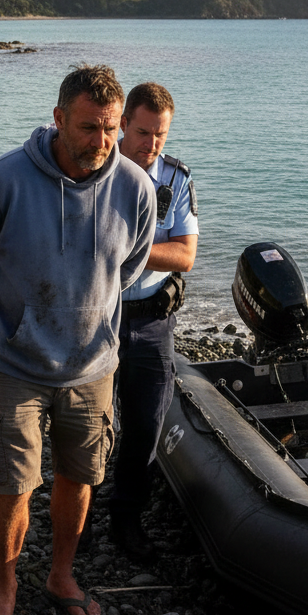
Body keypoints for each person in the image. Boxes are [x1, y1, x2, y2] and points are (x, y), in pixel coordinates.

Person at [0, 64, 156, 615]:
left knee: (79, 477)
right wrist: (6, 311)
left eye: (111, 129)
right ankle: (6, 587)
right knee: (12, 486)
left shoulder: (134, 186)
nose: (102, 142)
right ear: (58, 118)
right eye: (89, 128)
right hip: (16, 364)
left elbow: (131, 265)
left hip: (93, 366)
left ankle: (61, 573)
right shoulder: (6, 179)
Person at [108, 82, 198, 561]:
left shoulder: (177, 179)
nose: (151, 144)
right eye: (143, 133)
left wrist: (126, 254)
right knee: (86, 422)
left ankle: (127, 519)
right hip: (99, 316)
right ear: (124, 123)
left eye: (160, 135)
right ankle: (74, 512)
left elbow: (185, 255)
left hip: (150, 322)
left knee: (145, 424)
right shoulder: (99, 169)